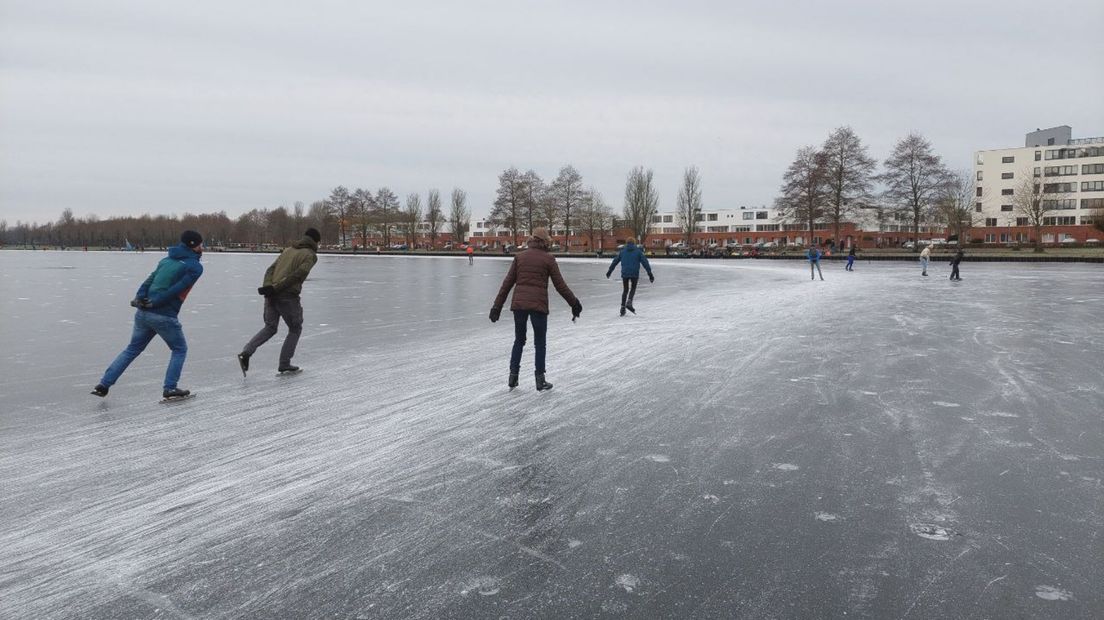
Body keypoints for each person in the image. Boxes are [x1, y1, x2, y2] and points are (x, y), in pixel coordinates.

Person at [91, 231, 205, 400]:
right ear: (193, 245)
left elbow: (148, 281)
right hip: (164, 315)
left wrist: (140, 298)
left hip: (143, 314)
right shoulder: (194, 267)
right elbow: (177, 289)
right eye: (201, 244)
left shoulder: (165, 261)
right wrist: (155, 302)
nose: (203, 248)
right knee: (179, 349)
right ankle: (170, 388)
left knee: (132, 349)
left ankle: (104, 385)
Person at [489, 227, 581, 391]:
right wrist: (574, 303)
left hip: (519, 305)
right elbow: (560, 286)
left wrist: (497, 306)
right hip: (538, 305)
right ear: (545, 241)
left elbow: (507, 284)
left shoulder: (520, 257)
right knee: (540, 342)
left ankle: (513, 377)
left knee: (519, 340)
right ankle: (540, 380)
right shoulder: (548, 259)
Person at [237, 229, 320, 376]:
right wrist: (276, 288)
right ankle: (284, 363)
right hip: (287, 296)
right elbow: (298, 275)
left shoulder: (288, 250)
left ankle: (246, 352)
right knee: (295, 328)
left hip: (271, 295)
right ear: (316, 241)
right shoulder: (310, 255)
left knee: (270, 327)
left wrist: (268, 287)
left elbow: (270, 269)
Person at [605, 236, 654, 316]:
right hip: (634, 273)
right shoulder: (638, 252)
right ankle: (629, 301)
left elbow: (615, 261)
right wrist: (650, 274)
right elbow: (645, 262)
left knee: (625, 290)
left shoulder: (622, 251)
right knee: (633, 288)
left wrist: (610, 271)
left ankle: (622, 308)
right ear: (634, 243)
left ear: (626, 243)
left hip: (625, 273)